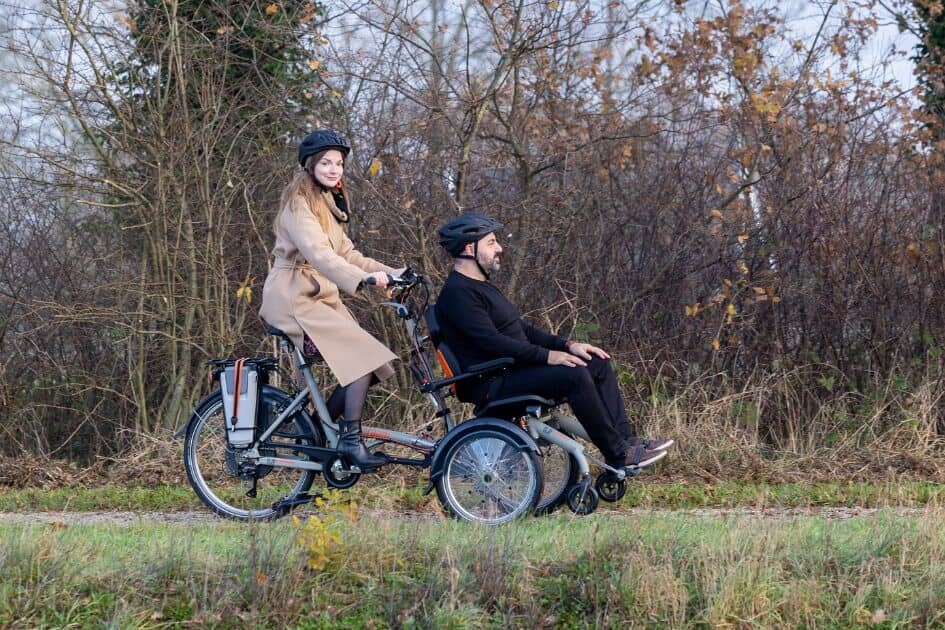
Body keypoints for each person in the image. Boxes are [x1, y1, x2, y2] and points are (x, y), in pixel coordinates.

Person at [434, 212, 673, 472]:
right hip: (490, 382)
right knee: (574, 375)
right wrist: (548, 356)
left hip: (509, 370)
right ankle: (616, 455)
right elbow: (493, 343)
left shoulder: (481, 286)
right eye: (491, 242)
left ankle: (628, 444)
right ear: (470, 248)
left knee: (595, 363)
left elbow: (521, 329)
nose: (500, 248)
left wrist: (568, 346)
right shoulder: (457, 294)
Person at [259, 128, 397, 470]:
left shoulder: (328, 203)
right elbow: (319, 255)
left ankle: (322, 430)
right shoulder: (299, 203)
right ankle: (350, 443)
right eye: (326, 162)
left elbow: (349, 254)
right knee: (362, 359)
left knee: (377, 366)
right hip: (294, 294)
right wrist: (362, 280)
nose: (334, 169)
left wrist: (393, 273)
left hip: (318, 295)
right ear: (310, 165)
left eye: (339, 163)